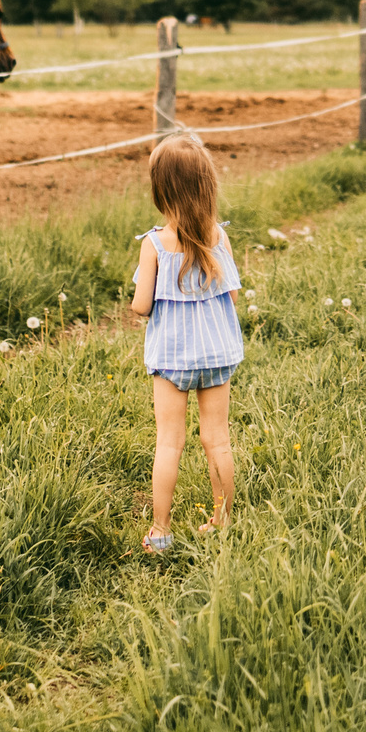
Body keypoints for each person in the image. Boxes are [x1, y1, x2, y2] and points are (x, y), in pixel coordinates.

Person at [130, 133, 244, 552]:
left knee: (169, 441)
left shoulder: (155, 244)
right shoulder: (219, 237)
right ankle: (222, 521)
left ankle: (161, 530)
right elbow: (231, 295)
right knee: (217, 439)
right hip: (216, 353)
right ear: (207, 186)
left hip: (173, 358)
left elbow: (142, 306)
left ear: (161, 190)